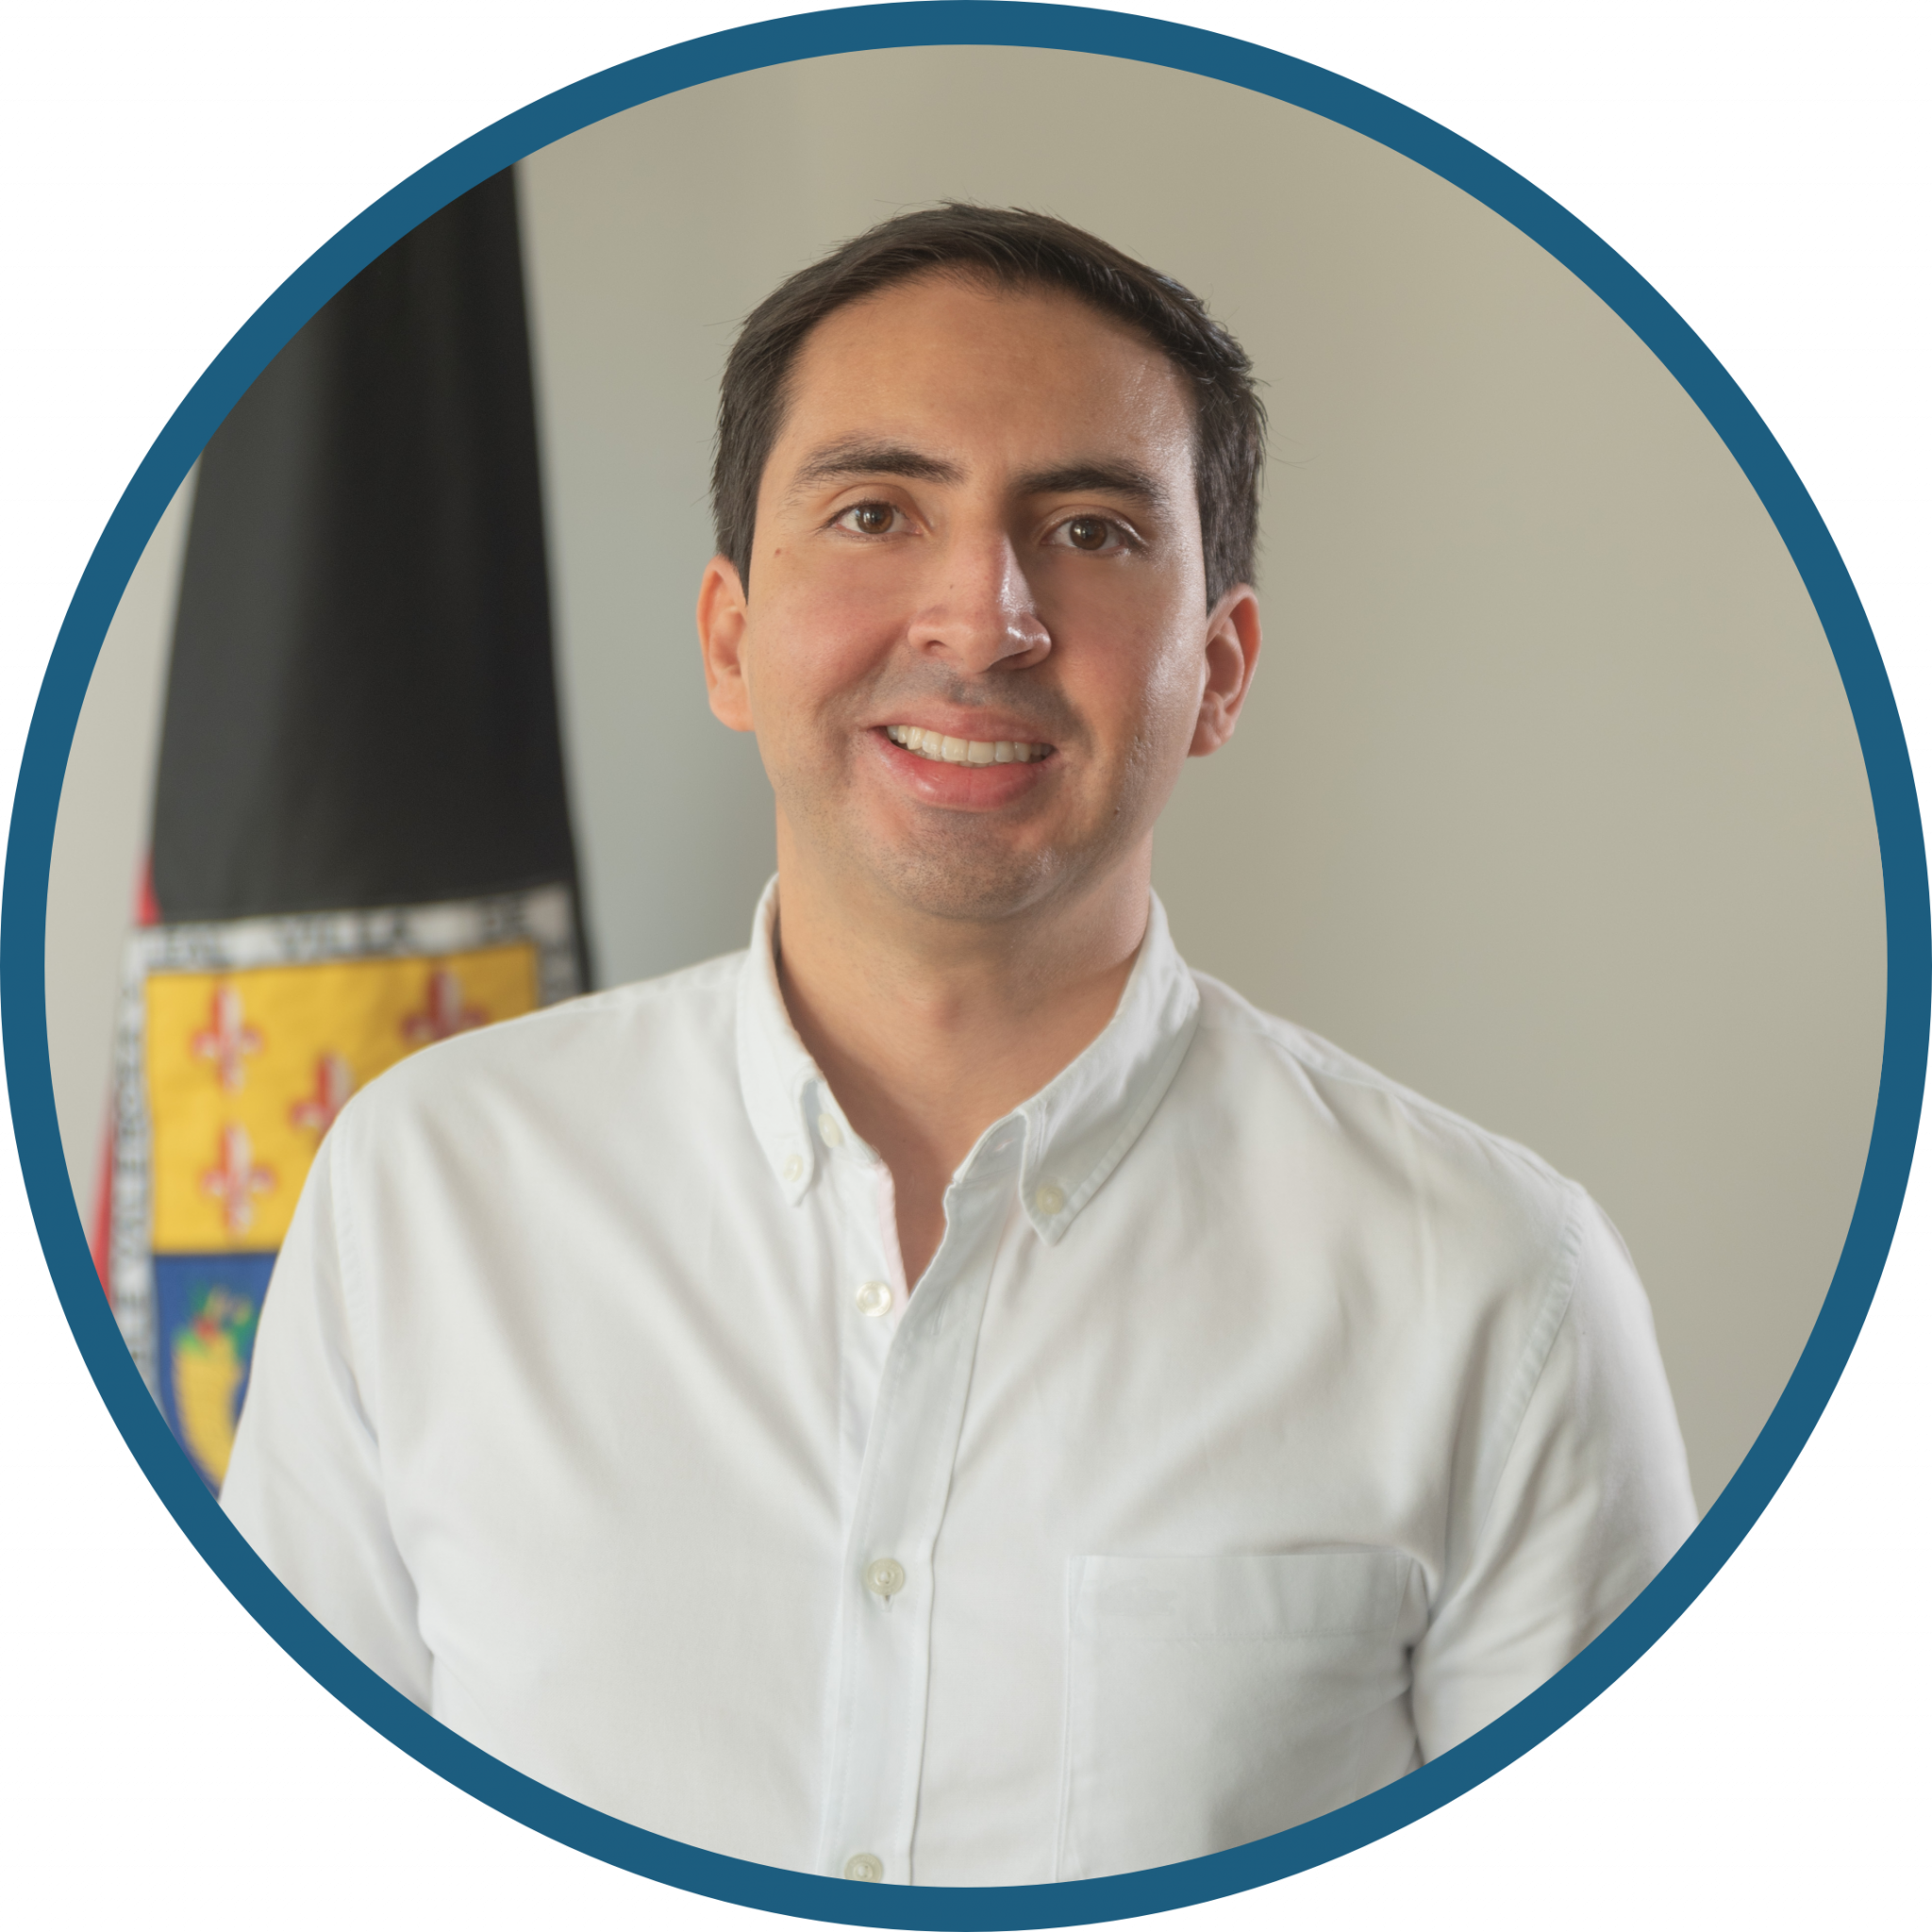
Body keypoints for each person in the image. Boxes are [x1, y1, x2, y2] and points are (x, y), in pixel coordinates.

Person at [222, 204, 1696, 1886]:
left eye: (1089, 530)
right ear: (729, 639)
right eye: (875, 512)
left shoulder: (1497, 1286)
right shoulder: (425, 1192)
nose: (982, 620)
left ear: (1219, 672)